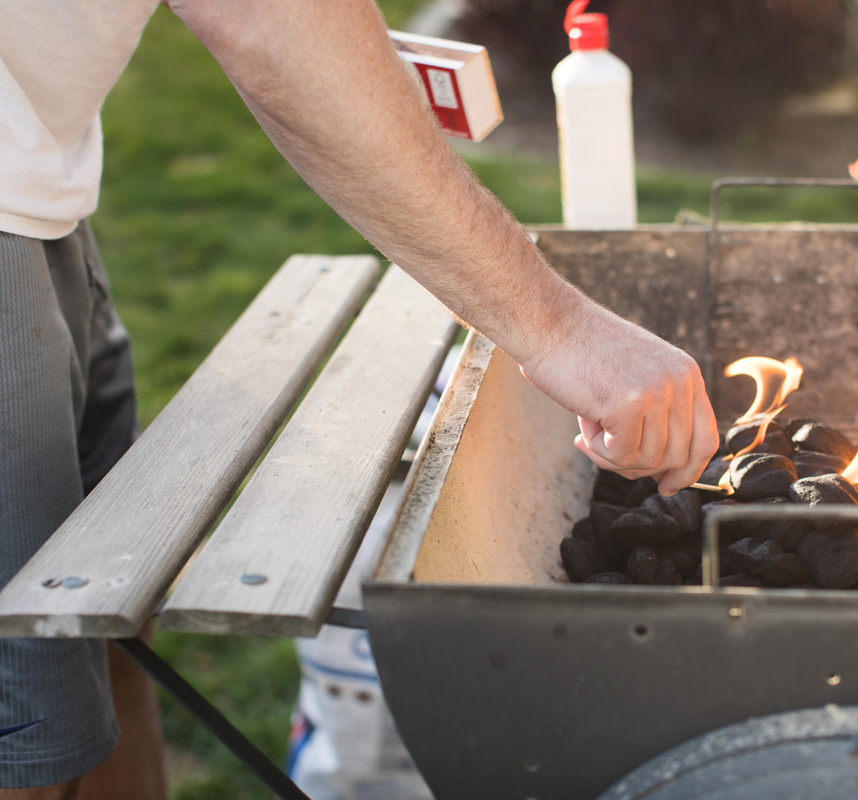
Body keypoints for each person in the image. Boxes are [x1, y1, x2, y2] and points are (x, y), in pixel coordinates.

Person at [0, 1, 720, 798]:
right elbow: (268, 17)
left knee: (95, 629)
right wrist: (560, 328)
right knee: (24, 725)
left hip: (37, 178)